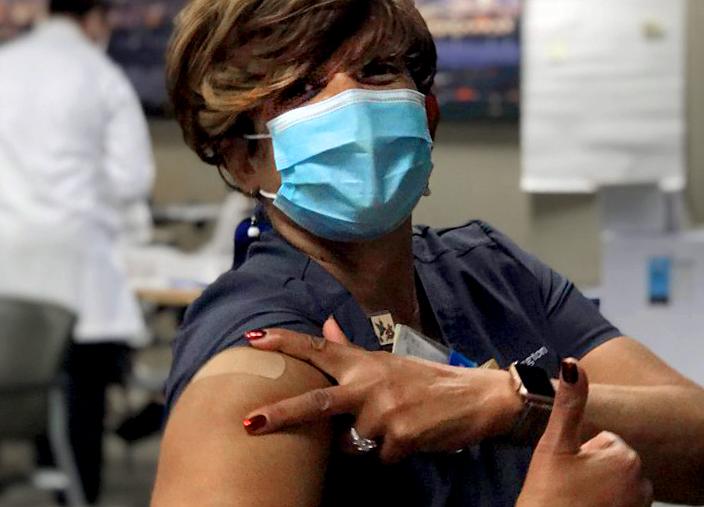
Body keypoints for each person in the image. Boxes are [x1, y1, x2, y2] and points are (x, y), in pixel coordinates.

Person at [152, 0, 704, 505]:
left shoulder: (491, 271)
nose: (353, 101)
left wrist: (507, 404)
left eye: (375, 71)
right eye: (300, 88)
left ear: (426, 115)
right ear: (242, 159)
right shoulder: (264, 361)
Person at [0, 0, 155, 503]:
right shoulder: (101, 75)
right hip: (77, 277)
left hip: (8, 278)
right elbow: (135, 178)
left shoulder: (5, 66)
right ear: (95, 20)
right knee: (79, 410)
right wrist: (81, 193)